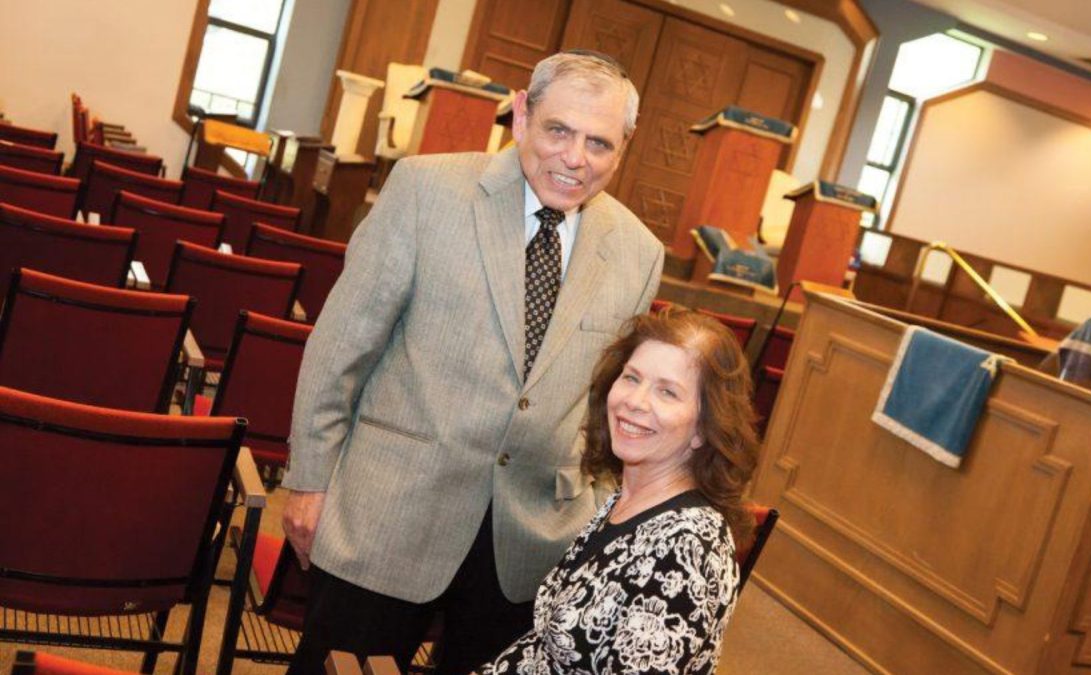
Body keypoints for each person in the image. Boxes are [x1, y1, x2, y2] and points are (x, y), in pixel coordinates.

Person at [281, 51, 664, 675]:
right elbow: (341, 346)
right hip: (387, 515)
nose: (575, 158)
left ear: (621, 151)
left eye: (600, 143)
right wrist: (310, 480)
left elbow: (607, 407)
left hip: (527, 547)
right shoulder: (425, 190)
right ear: (521, 116)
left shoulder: (640, 254)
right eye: (559, 130)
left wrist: (587, 513)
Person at [477, 308, 761, 674]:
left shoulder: (689, 548)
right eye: (632, 378)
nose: (635, 402)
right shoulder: (626, 499)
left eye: (667, 392)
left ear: (704, 428)